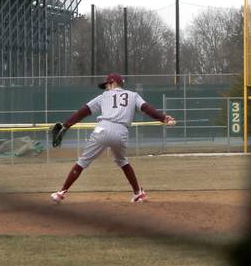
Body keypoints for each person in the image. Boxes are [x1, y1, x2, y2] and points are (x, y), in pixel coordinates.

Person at [50, 73, 176, 204]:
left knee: (82, 162)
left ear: (113, 83)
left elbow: (83, 111)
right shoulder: (133, 95)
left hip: (103, 129)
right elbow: (146, 108)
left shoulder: (103, 96)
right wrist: (163, 118)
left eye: (107, 85)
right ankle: (138, 194)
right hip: (121, 132)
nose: (106, 88)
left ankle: (61, 193)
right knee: (122, 161)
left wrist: (66, 125)